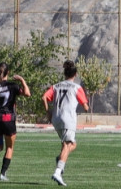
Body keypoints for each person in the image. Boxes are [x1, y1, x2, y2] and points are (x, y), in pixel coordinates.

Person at [43, 59, 89, 187]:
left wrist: (48, 113)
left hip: (56, 118)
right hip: (67, 118)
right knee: (67, 145)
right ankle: (58, 171)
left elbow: (44, 97)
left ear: (65, 73)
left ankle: (60, 159)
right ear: (75, 74)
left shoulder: (56, 86)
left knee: (72, 144)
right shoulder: (77, 87)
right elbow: (85, 107)